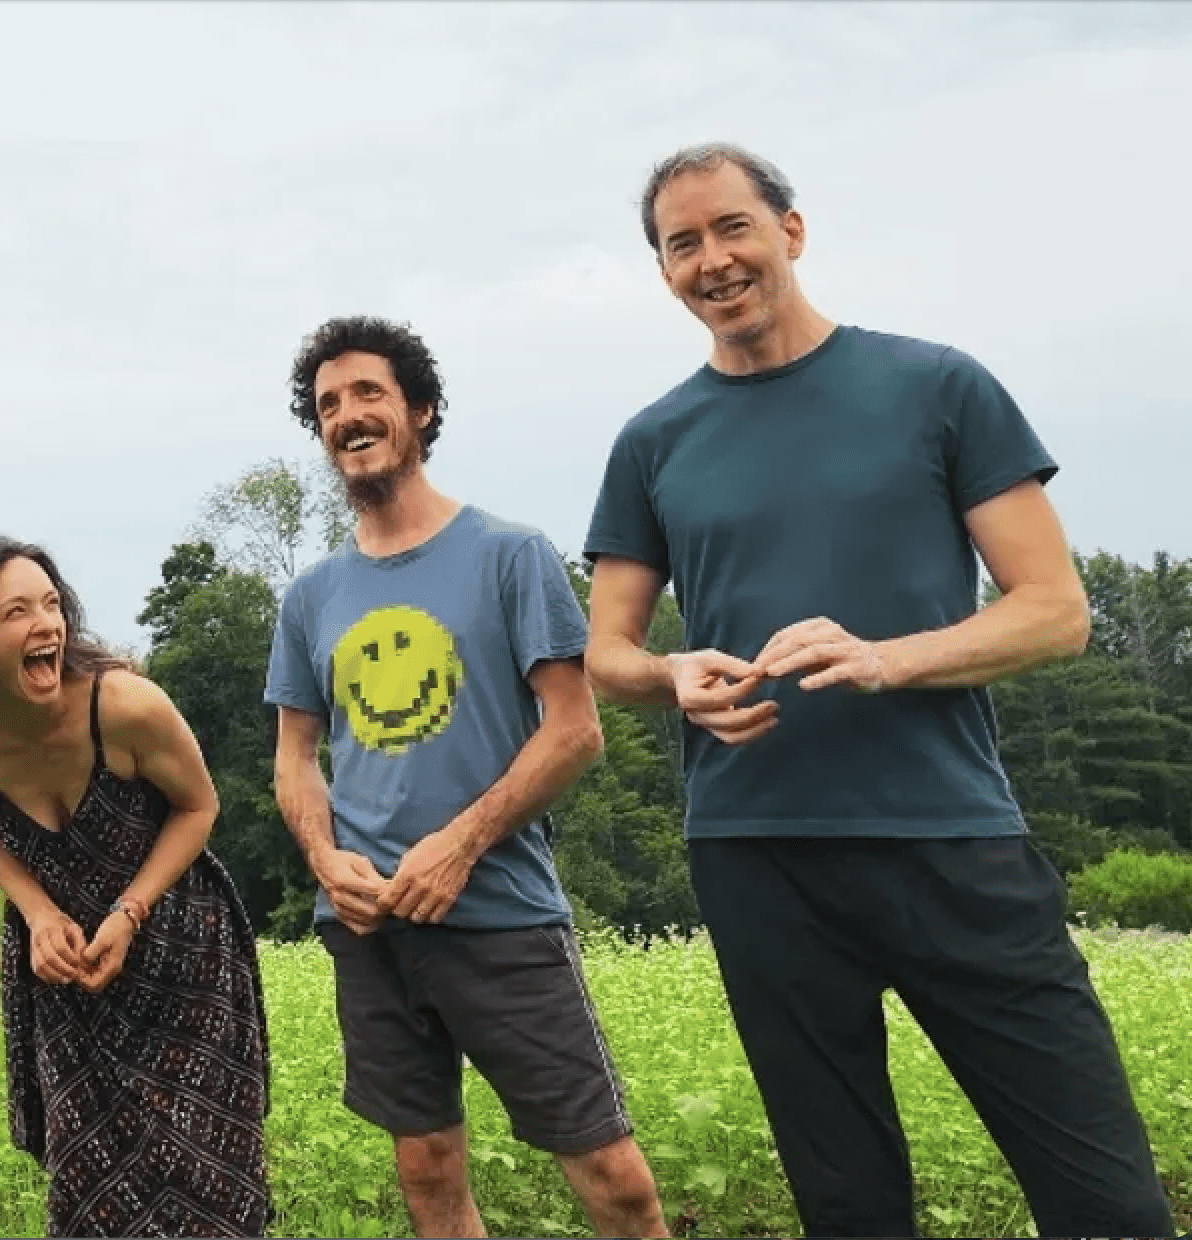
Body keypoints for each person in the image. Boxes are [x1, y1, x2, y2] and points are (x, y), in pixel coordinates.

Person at [582, 142, 1174, 1237]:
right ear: (662, 271)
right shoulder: (653, 440)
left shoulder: (935, 386)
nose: (711, 259)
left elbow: (1053, 608)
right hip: (754, 854)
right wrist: (668, 674)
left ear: (789, 233)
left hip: (946, 836)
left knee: (1105, 1199)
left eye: (732, 228)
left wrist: (885, 657)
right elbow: (604, 653)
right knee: (847, 1203)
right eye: (681, 243)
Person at [266, 318, 669, 1237]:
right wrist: (327, 864)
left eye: (368, 393)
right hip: (368, 924)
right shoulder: (312, 596)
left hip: (500, 911)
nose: (347, 415)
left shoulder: (510, 555)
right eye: (328, 404)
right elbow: (294, 757)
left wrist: (462, 842)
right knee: (427, 1167)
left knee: (611, 1172)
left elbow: (576, 732)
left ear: (420, 409)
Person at [0, 536, 271, 1239]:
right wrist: (39, 915)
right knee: (91, 1186)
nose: (46, 624)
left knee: (204, 1178)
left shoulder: (127, 706)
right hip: (66, 978)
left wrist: (129, 912)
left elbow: (200, 807)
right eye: (16, 611)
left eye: (51, 604)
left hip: (180, 960)